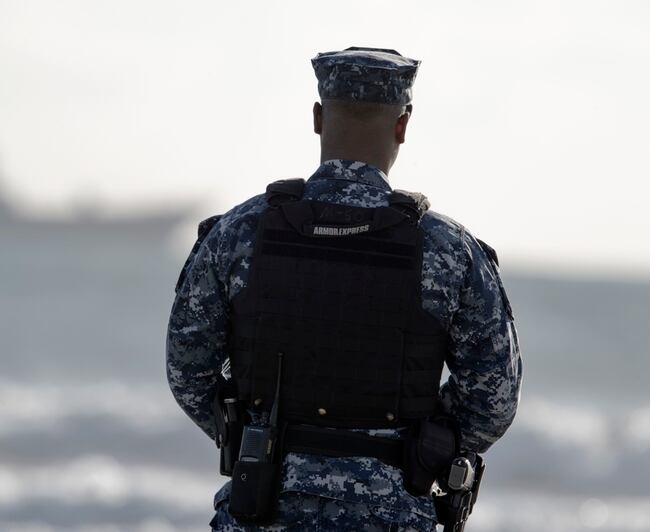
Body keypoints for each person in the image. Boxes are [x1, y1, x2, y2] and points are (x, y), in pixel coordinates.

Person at [167, 47, 522, 531]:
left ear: (317, 118)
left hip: (263, 502)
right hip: (393, 512)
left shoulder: (239, 232)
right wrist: (419, 442)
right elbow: (493, 399)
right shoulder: (448, 249)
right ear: (402, 126)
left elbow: (188, 369)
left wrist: (254, 430)